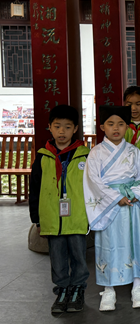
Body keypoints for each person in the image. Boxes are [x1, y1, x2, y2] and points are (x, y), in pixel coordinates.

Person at [83, 106, 140, 311]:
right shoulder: (95, 153)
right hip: (109, 206)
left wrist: (135, 193)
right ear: (102, 126)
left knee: (135, 243)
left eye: (121, 124)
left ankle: (137, 287)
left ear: (126, 127)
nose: (116, 128)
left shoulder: (133, 151)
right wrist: (116, 198)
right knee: (108, 245)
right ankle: (108, 289)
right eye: (111, 124)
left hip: (131, 203)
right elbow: (93, 181)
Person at [29, 105, 90, 314]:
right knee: (57, 257)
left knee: (79, 256)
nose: (62, 131)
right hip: (52, 218)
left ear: (76, 129)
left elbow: (93, 188)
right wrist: (37, 219)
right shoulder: (43, 156)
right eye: (57, 126)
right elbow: (35, 189)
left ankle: (78, 290)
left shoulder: (85, 156)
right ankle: (62, 290)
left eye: (67, 127)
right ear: (50, 127)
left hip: (77, 217)